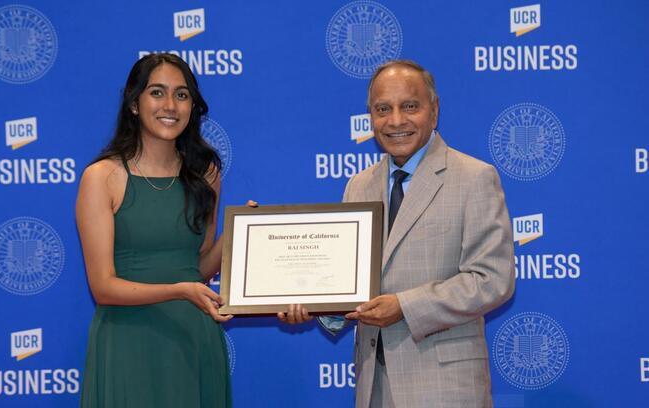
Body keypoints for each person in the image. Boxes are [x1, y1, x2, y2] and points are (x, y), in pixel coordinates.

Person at [279, 60, 515, 407]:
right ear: (370, 118)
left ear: (433, 112)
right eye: (382, 109)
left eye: (410, 106)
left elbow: (493, 280)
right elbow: (350, 282)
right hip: (373, 383)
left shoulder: (473, 177)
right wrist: (315, 305)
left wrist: (405, 306)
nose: (396, 121)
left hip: (445, 386)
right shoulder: (359, 186)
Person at [76, 53, 232, 407]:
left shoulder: (205, 174)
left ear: (193, 105)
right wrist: (178, 290)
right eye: (157, 92)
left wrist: (240, 236)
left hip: (193, 340)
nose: (171, 105)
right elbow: (102, 286)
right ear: (134, 103)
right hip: (128, 343)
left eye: (181, 95)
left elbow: (200, 268)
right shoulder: (102, 177)